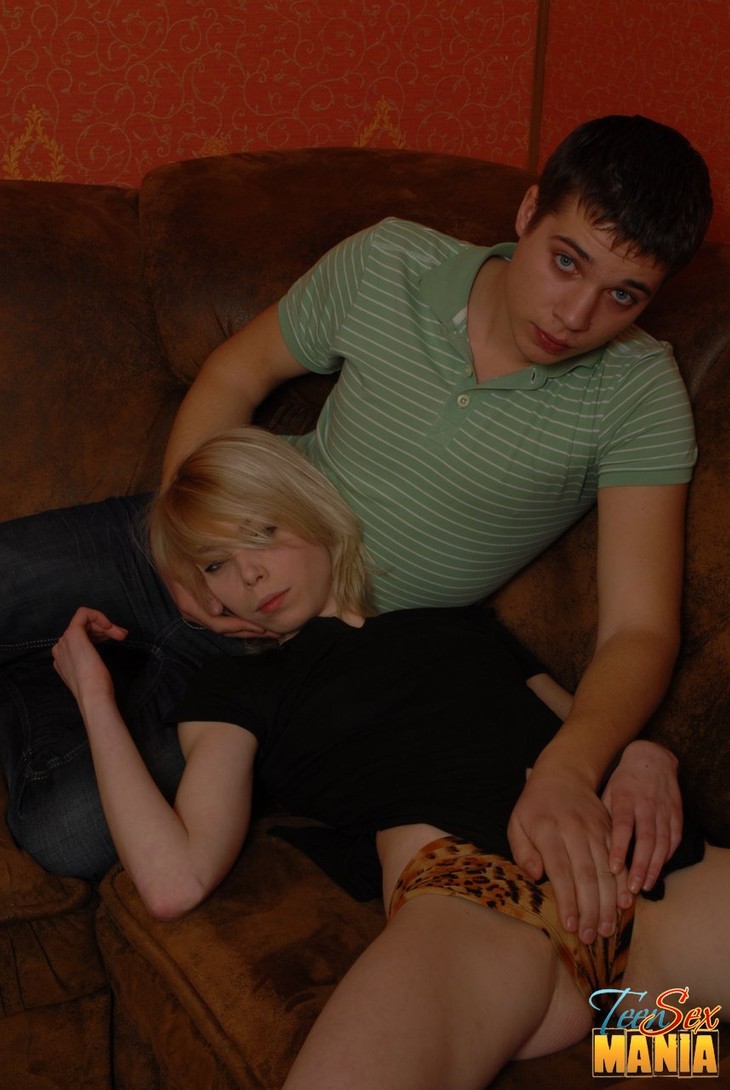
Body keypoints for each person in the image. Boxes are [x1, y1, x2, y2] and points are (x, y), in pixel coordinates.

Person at [0, 115, 713, 944]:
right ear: (528, 213)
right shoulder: (390, 261)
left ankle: (55, 670)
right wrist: (194, 546)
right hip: (221, 533)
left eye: (624, 295)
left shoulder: (639, 395)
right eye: (566, 261)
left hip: (304, 668)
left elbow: (638, 628)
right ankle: (60, 651)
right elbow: (236, 371)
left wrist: (571, 766)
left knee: (71, 829)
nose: (576, 313)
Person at [50, 429, 728, 1090]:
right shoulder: (235, 687)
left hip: (645, 870)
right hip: (480, 900)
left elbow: (586, 723)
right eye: (214, 564)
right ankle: (602, 1024)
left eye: (261, 532)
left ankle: (633, 1038)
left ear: (311, 512)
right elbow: (174, 881)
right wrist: (92, 694)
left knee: (681, 1050)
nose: (248, 574)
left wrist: (648, 756)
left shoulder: (463, 624)